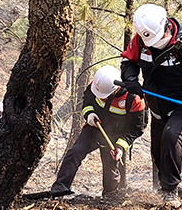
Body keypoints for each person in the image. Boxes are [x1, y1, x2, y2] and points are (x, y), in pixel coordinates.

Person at [121, 3, 182, 207]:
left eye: (158, 40)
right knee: (158, 151)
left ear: (166, 27)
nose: (154, 45)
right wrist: (131, 79)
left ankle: (170, 192)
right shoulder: (141, 40)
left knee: (172, 135)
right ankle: (161, 188)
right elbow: (128, 62)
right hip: (158, 108)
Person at [50, 66, 146, 198]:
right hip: (94, 128)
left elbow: (137, 128)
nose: (103, 98)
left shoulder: (134, 98)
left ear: (116, 89)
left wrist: (120, 147)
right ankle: (60, 187)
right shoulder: (98, 85)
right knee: (75, 152)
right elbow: (87, 100)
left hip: (115, 137)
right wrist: (89, 114)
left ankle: (109, 195)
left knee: (110, 169)